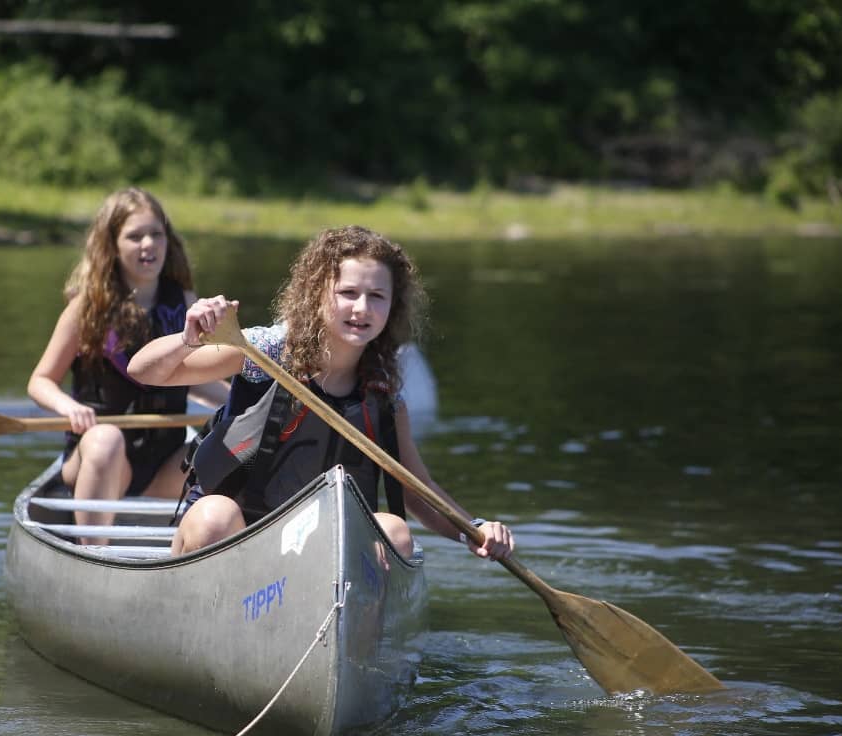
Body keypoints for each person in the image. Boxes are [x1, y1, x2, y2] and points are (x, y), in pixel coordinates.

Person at [128, 225, 515, 560]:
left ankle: (348, 637)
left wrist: (473, 529)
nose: (362, 308)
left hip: (317, 554)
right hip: (234, 536)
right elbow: (143, 371)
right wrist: (187, 338)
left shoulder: (384, 394)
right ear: (317, 294)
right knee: (215, 515)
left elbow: (418, 492)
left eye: (377, 296)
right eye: (348, 292)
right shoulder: (266, 352)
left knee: (394, 531)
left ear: (392, 305)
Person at [27, 188, 228, 529]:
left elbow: (196, 380)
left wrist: (249, 402)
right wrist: (68, 407)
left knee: (229, 440)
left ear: (168, 240)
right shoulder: (86, 308)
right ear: (113, 246)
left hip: (164, 463)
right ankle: (92, 548)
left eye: (156, 234)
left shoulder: (185, 301)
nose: (148, 244)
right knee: (106, 440)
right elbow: (40, 381)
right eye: (135, 236)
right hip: (100, 459)